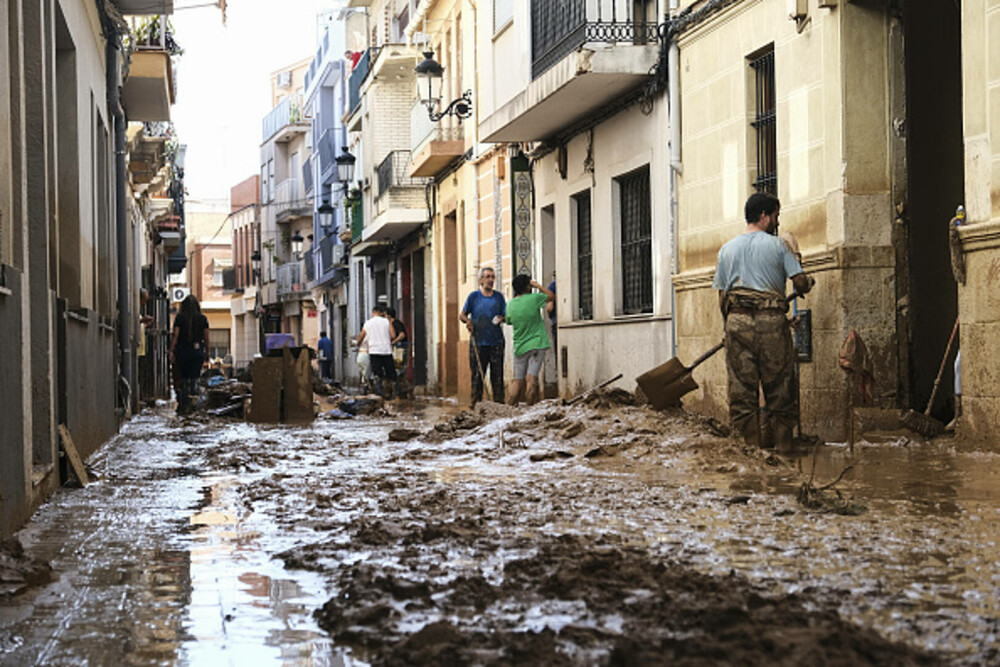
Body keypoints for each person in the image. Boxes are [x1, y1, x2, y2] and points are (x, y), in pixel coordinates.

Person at [712, 192, 814, 451]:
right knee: (780, 389)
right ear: (764, 216)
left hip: (737, 321)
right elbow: (800, 283)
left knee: (742, 392)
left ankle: (753, 458)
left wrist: (730, 327)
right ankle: (783, 454)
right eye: (775, 216)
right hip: (771, 323)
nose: (777, 222)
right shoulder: (779, 245)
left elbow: (722, 296)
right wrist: (804, 274)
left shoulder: (727, 249)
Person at [459, 266, 506, 404]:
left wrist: (502, 318)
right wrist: (468, 321)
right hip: (478, 342)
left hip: (496, 342)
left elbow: (506, 315)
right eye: (488, 277)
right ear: (481, 280)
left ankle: (499, 406)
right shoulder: (473, 297)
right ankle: (476, 406)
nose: (491, 280)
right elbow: (462, 314)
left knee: (497, 377)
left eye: (492, 277)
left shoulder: (499, 297)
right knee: (477, 376)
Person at [505, 274, 554, 405]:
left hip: (520, 346)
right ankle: (529, 408)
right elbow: (551, 297)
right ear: (528, 286)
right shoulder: (534, 298)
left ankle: (508, 408)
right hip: (537, 344)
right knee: (532, 379)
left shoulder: (510, 305)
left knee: (518, 380)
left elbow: (508, 321)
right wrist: (538, 286)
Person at [169, 294, 210, 415]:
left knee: (184, 379)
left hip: (182, 352)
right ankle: (194, 406)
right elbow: (207, 338)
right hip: (197, 353)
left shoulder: (180, 318)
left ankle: (183, 405)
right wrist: (208, 353)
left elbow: (175, 335)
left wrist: (171, 350)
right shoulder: (203, 319)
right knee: (195, 378)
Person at [356, 304, 396, 397]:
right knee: (390, 372)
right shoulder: (387, 321)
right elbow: (393, 335)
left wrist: (358, 344)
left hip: (374, 351)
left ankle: (379, 393)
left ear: (373, 313)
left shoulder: (368, 323)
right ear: (381, 313)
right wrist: (386, 341)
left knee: (377, 373)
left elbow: (361, 336)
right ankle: (394, 392)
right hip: (386, 350)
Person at [386, 307, 410, 397]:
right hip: (396, 349)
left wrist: (394, 341)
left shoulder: (396, 323)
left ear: (388, 316)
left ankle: (400, 390)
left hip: (399, 349)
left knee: (398, 368)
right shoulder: (390, 324)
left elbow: (402, 334)